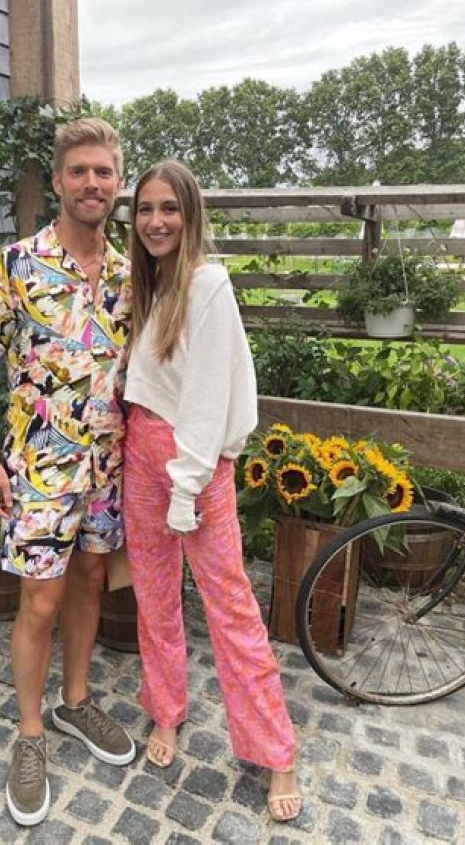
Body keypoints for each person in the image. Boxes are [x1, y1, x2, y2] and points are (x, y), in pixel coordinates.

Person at [0, 118, 135, 827]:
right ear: (60, 180)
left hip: (109, 464)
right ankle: (30, 733)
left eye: (104, 171)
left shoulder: (131, 273)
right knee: (39, 598)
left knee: (91, 579)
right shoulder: (15, 264)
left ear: (117, 182)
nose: (92, 183)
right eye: (79, 171)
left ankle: (75, 702)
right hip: (38, 464)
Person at [122, 159, 302, 823]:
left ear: (190, 213)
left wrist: (186, 484)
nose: (156, 221)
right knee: (153, 596)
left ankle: (276, 749)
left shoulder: (207, 283)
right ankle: (165, 709)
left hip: (191, 465)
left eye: (168, 208)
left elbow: (206, 394)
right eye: (145, 209)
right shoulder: (151, 281)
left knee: (229, 606)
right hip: (139, 451)